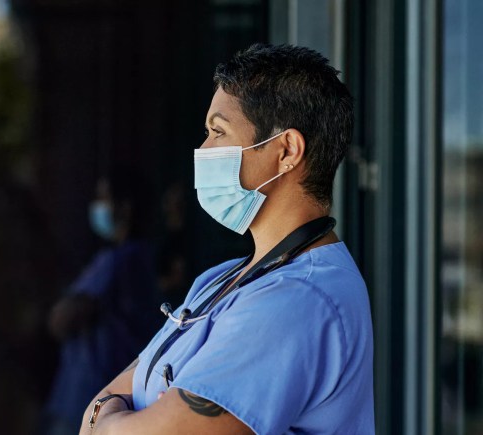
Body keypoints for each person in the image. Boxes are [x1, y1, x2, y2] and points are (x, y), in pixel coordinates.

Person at [80, 44, 374, 434]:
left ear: (287, 150)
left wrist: (107, 418)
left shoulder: (297, 299)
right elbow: (105, 400)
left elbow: (114, 413)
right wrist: (114, 416)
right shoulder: (222, 280)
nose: (203, 149)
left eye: (218, 131)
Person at [45, 169, 158, 435]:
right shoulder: (139, 258)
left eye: (103, 198)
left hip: (86, 397)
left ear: (125, 207)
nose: (97, 207)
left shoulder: (118, 261)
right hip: (107, 398)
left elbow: (63, 319)